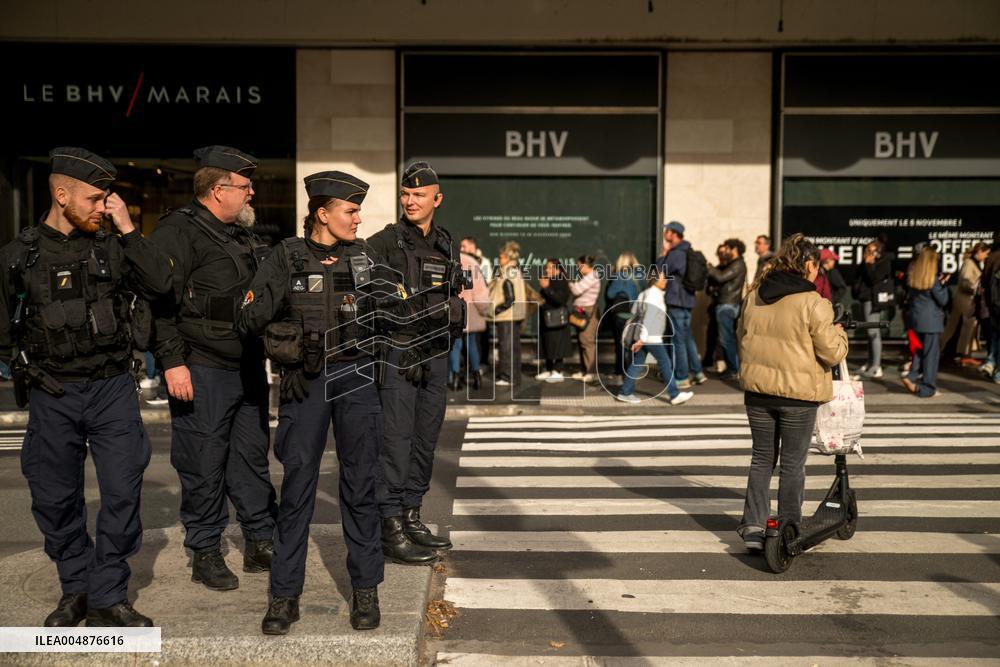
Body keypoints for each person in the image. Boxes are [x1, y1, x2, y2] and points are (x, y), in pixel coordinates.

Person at [0, 148, 173, 626]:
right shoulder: (19, 256)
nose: (103, 206)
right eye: (95, 199)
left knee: (121, 492)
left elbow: (161, 285)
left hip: (111, 387)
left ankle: (108, 595)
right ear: (62, 195)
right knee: (54, 497)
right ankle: (75, 587)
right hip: (52, 391)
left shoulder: (114, 245)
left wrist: (128, 227)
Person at [238, 171, 393, 634]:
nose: (358, 219)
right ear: (323, 214)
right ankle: (284, 596)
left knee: (360, 486)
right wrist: (279, 321)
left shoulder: (365, 257)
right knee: (298, 487)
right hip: (304, 382)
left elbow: (396, 312)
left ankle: (365, 590)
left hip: (357, 378)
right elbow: (248, 315)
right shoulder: (284, 257)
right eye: (351, 211)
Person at [150, 145, 277, 591]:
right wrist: (172, 363)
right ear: (218, 189)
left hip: (245, 365)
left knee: (250, 456)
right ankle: (205, 550)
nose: (251, 193)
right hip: (201, 366)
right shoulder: (178, 231)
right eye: (244, 187)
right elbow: (159, 303)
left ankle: (261, 540)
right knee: (203, 461)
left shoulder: (240, 236)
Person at [366, 161, 461, 564]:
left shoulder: (444, 242)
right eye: (406, 194)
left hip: (436, 352)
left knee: (425, 438)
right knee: (396, 440)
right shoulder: (383, 242)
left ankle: (411, 513)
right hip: (399, 353)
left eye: (419, 195)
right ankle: (390, 525)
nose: (410, 201)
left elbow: (453, 293)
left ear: (436, 199)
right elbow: (365, 299)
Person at [736, 233, 848, 551]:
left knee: (761, 459)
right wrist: (840, 334)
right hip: (798, 395)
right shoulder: (813, 302)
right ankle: (787, 526)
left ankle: (754, 527)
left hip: (758, 392)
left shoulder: (756, 294)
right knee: (792, 464)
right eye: (816, 267)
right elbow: (831, 353)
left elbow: (740, 334)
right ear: (810, 264)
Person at [616, 268, 695, 406]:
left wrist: (639, 337)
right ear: (655, 279)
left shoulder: (644, 293)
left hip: (644, 336)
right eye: (663, 278)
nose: (665, 281)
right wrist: (642, 338)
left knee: (636, 364)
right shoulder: (654, 295)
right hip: (651, 337)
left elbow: (634, 312)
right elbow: (648, 318)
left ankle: (625, 392)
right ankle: (674, 394)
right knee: (665, 364)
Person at [656, 221, 706, 389]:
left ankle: (682, 377)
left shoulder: (676, 253)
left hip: (677, 300)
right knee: (687, 337)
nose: (665, 233)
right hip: (687, 300)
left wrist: (663, 256)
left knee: (678, 340)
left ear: (673, 233)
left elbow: (662, 270)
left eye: (667, 231)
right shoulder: (687, 250)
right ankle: (698, 373)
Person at [901, 246, 951, 398]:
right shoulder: (934, 281)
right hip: (931, 322)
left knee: (920, 351)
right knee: (931, 356)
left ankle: (911, 377)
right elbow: (943, 300)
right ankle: (927, 388)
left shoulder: (913, 276)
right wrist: (944, 285)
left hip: (916, 319)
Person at [449, 238, 490, 391]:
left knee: (455, 345)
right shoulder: (472, 263)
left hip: (454, 309)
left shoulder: (450, 261)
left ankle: (455, 378)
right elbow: (480, 291)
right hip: (471, 311)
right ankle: (476, 377)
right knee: (472, 345)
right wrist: (484, 309)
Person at [941, 242, 990, 366]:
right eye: (986, 253)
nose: (986, 256)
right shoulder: (969, 263)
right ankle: (963, 354)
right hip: (966, 301)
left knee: (956, 327)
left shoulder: (972, 263)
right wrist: (976, 288)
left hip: (965, 301)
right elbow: (965, 281)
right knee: (965, 327)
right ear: (979, 252)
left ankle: (953, 352)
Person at [851, 240, 893, 379]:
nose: (868, 253)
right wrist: (866, 262)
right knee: (870, 333)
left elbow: (873, 279)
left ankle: (876, 366)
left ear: (878, 252)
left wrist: (869, 263)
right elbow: (857, 276)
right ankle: (870, 363)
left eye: (871, 250)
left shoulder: (883, 262)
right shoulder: (866, 261)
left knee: (873, 332)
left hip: (874, 300)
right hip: (865, 299)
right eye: (867, 250)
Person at [488, 241, 527, 387]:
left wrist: (496, 309)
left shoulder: (508, 273)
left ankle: (507, 376)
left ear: (507, 257)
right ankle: (514, 376)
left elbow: (510, 298)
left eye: (501, 256)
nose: (499, 259)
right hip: (513, 315)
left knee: (506, 347)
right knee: (513, 347)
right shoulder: (513, 271)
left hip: (506, 316)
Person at [708, 238, 747, 381]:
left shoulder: (738, 264)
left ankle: (734, 370)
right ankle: (732, 369)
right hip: (726, 304)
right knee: (726, 339)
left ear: (734, 249)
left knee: (727, 339)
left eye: (728, 249)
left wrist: (709, 267)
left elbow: (721, 277)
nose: (726, 252)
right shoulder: (734, 264)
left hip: (728, 305)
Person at [605, 252, 642, 384]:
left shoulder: (620, 275)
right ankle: (632, 373)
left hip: (622, 314)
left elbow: (610, 294)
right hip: (636, 313)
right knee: (633, 344)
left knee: (621, 344)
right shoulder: (640, 275)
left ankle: (620, 374)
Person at [537, 258, 572, 382]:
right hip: (546, 318)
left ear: (557, 269)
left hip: (557, 318)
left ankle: (558, 370)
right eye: (546, 267)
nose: (547, 270)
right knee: (547, 343)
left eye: (550, 267)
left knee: (557, 344)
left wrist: (547, 288)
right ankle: (548, 368)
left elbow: (560, 299)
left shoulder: (562, 280)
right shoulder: (549, 279)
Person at [568, 254, 601, 383]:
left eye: (578, 265)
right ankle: (584, 370)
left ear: (584, 264)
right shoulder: (587, 276)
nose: (577, 268)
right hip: (581, 311)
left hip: (587, 312)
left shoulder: (592, 276)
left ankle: (591, 372)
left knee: (587, 341)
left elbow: (576, 290)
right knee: (582, 340)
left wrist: (569, 282)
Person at [979, 236, 1000, 383]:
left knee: (995, 334)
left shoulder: (991, 257)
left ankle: (991, 361)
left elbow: (984, 282)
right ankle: (997, 370)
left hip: (992, 304)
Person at [703, 244, 727, 373]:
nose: (722, 255)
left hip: (725, 305)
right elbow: (708, 288)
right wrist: (712, 289)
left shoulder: (728, 269)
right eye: (720, 253)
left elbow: (724, 280)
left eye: (724, 253)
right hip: (715, 305)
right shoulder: (717, 269)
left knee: (722, 335)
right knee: (711, 333)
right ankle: (708, 359)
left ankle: (722, 361)